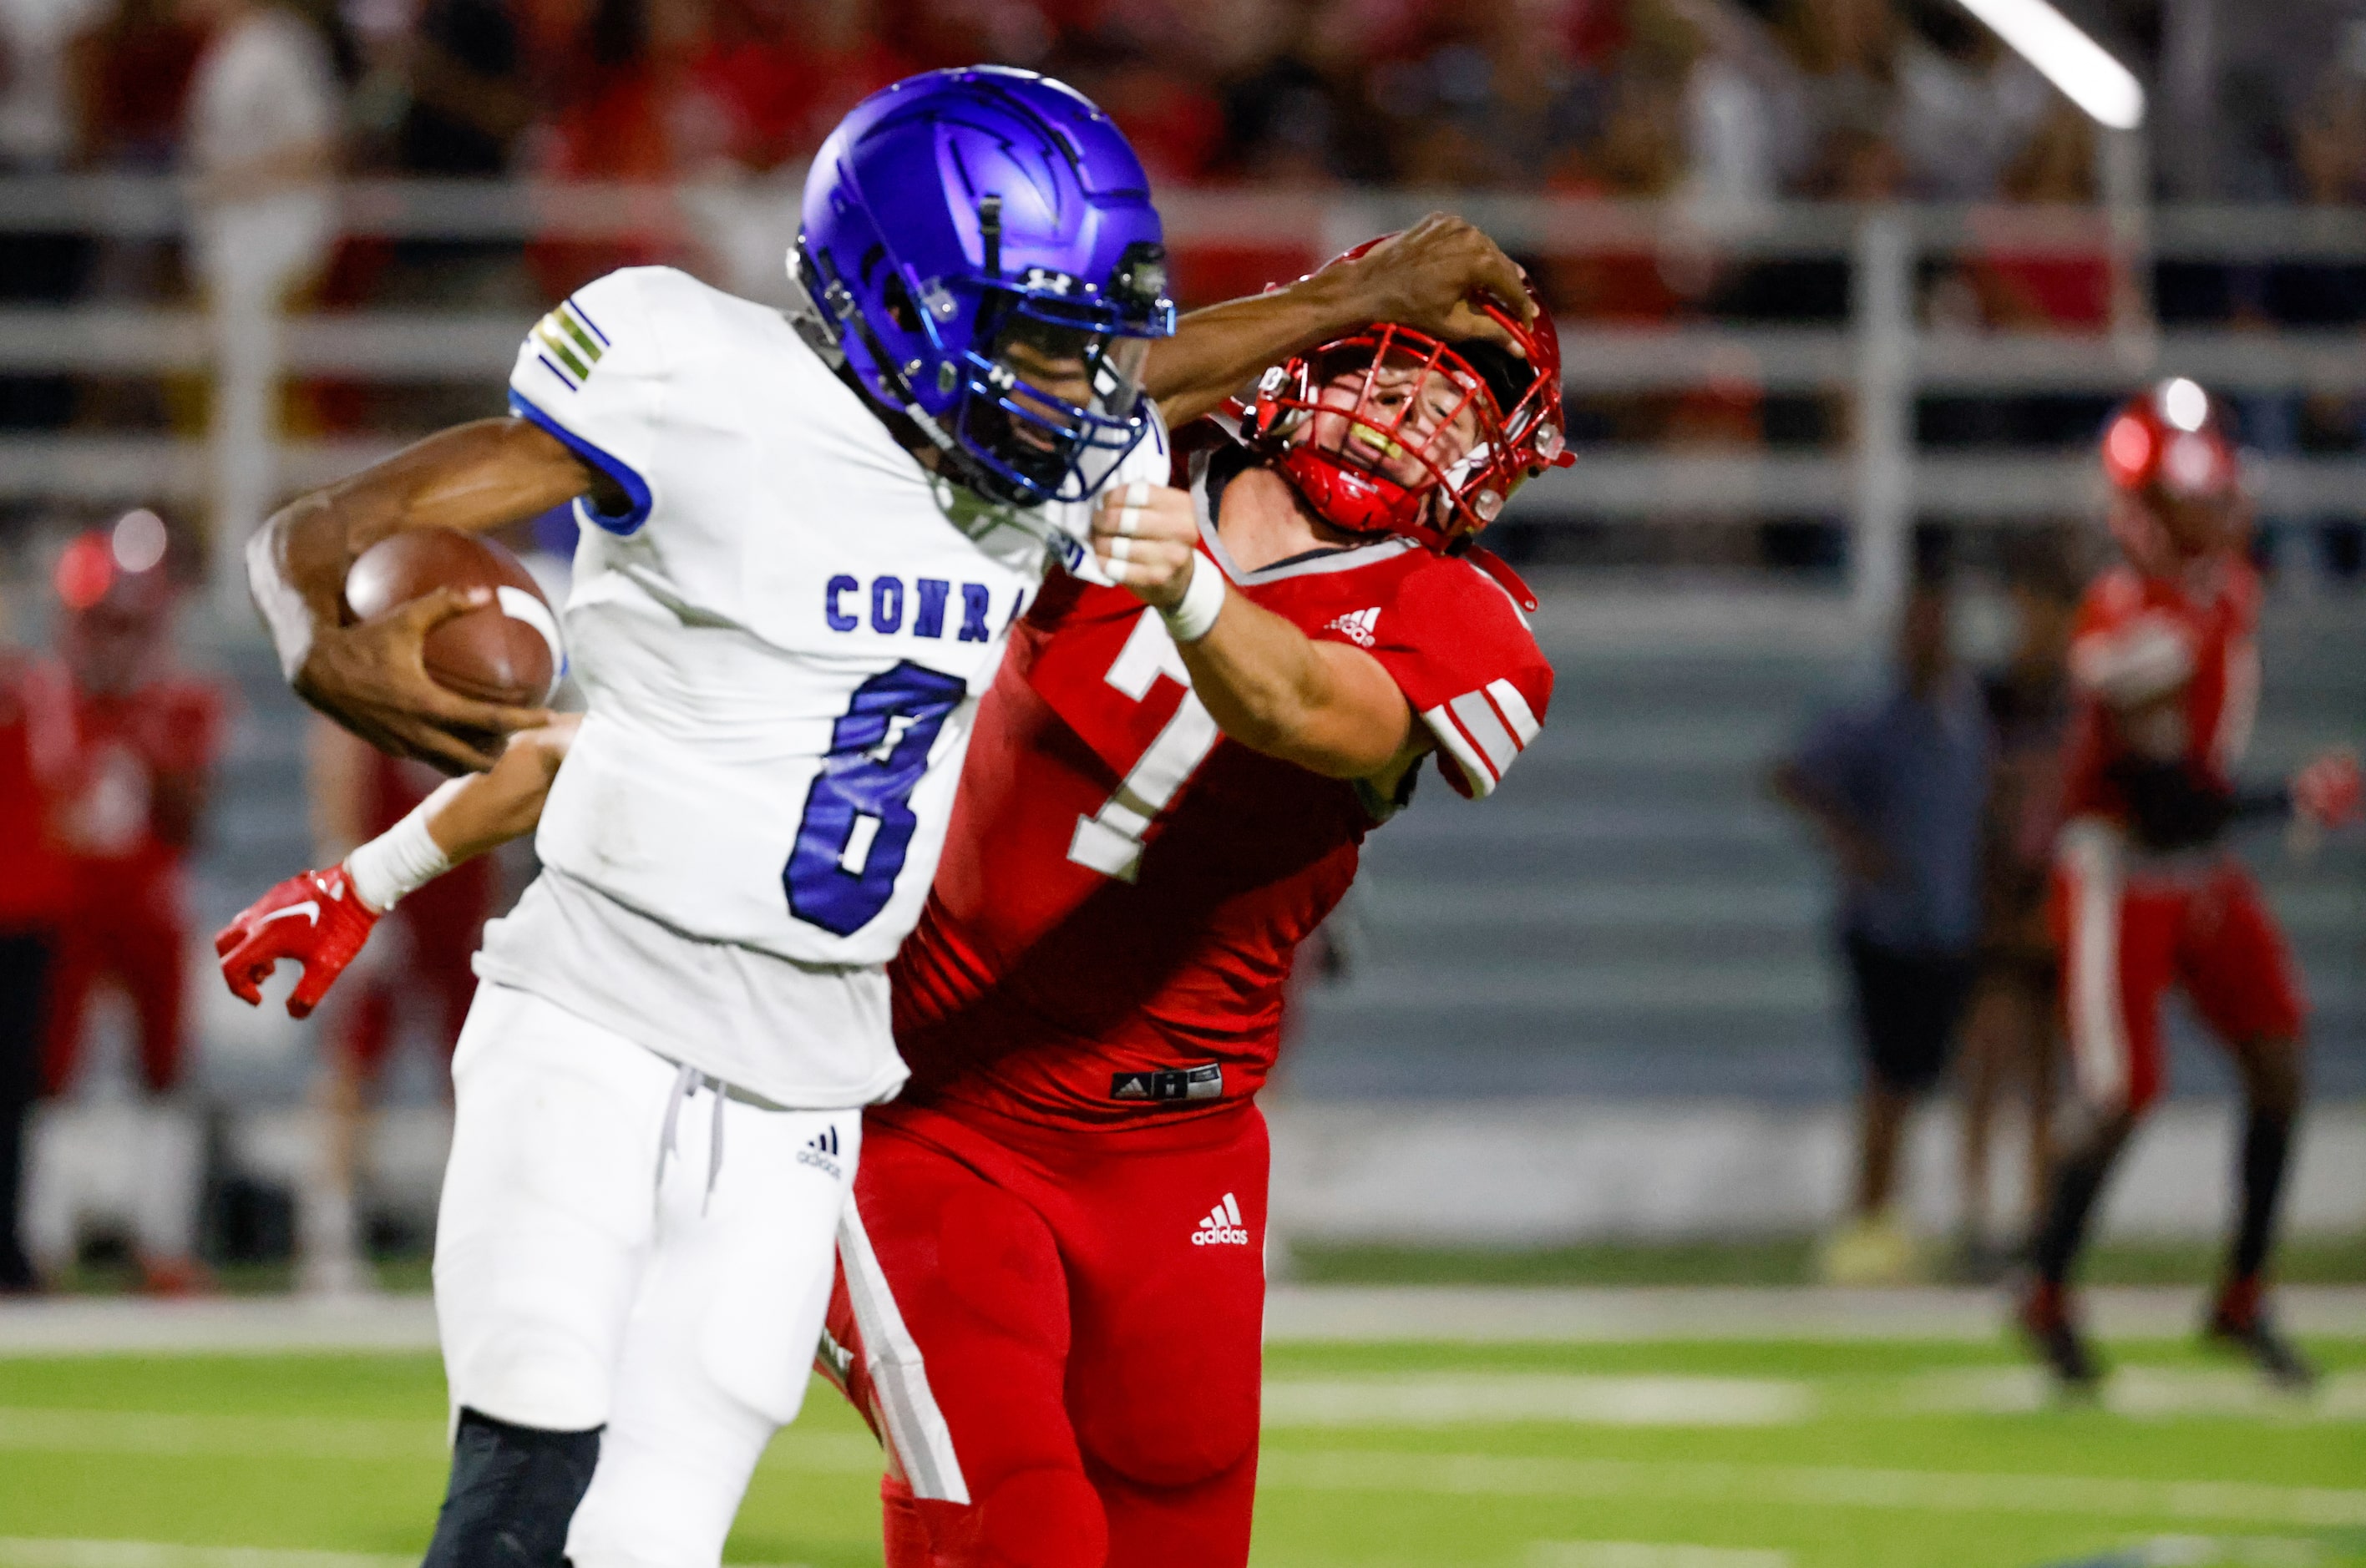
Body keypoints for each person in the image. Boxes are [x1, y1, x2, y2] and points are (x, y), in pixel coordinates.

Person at [217, 63, 1532, 1568]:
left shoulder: (1037, 471)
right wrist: (304, 610)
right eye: (1042, 340)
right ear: (905, 299)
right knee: (527, 1460)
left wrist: (1348, 293)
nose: (1078, 386)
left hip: (808, 1071)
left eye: (1083, 346)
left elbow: (1156, 376)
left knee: (651, 1535)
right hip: (601, 1004)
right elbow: (342, 525)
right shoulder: (692, 378)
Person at [826, 277, 1563, 1568]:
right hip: (926, 1104)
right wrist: (1363, 280)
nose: (1420, 416)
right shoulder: (1117, 463)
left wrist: (1191, 588)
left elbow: (1308, 713)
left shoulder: (1462, 618)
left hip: (1177, 1150)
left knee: (1172, 1534)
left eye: (1460, 405)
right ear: (1298, 370)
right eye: (1398, 374)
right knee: (1022, 1519)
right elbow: (1069, 382)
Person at [2019, 378, 2363, 1393]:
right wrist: (2287, 800)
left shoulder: (2217, 594)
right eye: (2195, 494)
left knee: (2278, 1063)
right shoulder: (2131, 622)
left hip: (2196, 872)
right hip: (2123, 868)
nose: (2218, 509)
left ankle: (2241, 1294)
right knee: (2123, 1094)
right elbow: (2164, 798)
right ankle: (2044, 1288)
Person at [1772, 569, 1989, 1287]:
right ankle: (1865, 1221)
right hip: (1885, 925)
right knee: (1886, 1081)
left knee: (1925, 1078)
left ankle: (1903, 1218)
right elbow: (1793, 774)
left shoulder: (1963, 720)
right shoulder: (1874, 719)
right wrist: (1855, 846)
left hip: (1948, 923)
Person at [33, 516, 227, 1294]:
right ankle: (36, 1239)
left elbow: (191, 817)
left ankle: (163, 1244)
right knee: (46, 1071)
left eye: (127, 624)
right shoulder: (42, 697)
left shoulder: (181, 702)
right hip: (64, 903)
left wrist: (151, 744)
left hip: (147, 900)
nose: (113, 641)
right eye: (102, 623)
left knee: (163, 1070)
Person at [295, 719, 499, 1297]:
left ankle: (479, 1232)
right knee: (354, 1064)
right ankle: (328, 1237)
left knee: (473, 1070)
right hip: (389, 883)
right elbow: (338, 753)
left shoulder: (485, 664)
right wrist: (344, 871)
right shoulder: (389, 655)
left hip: (459, 886)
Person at [1953, 539, 2077, 1280]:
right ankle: (1975, 1216)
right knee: (1988, 1061)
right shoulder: (1990, 696)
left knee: (2042, 1074)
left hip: (2056, 897)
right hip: (1999, 897)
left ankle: (2036, 1221)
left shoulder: (2080, 694)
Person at [0, 627, 75, 1294]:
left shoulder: (35, 684)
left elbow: (63, 782)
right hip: (25, 905)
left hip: (26, 914)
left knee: (19, 1089)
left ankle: (12, 1243)